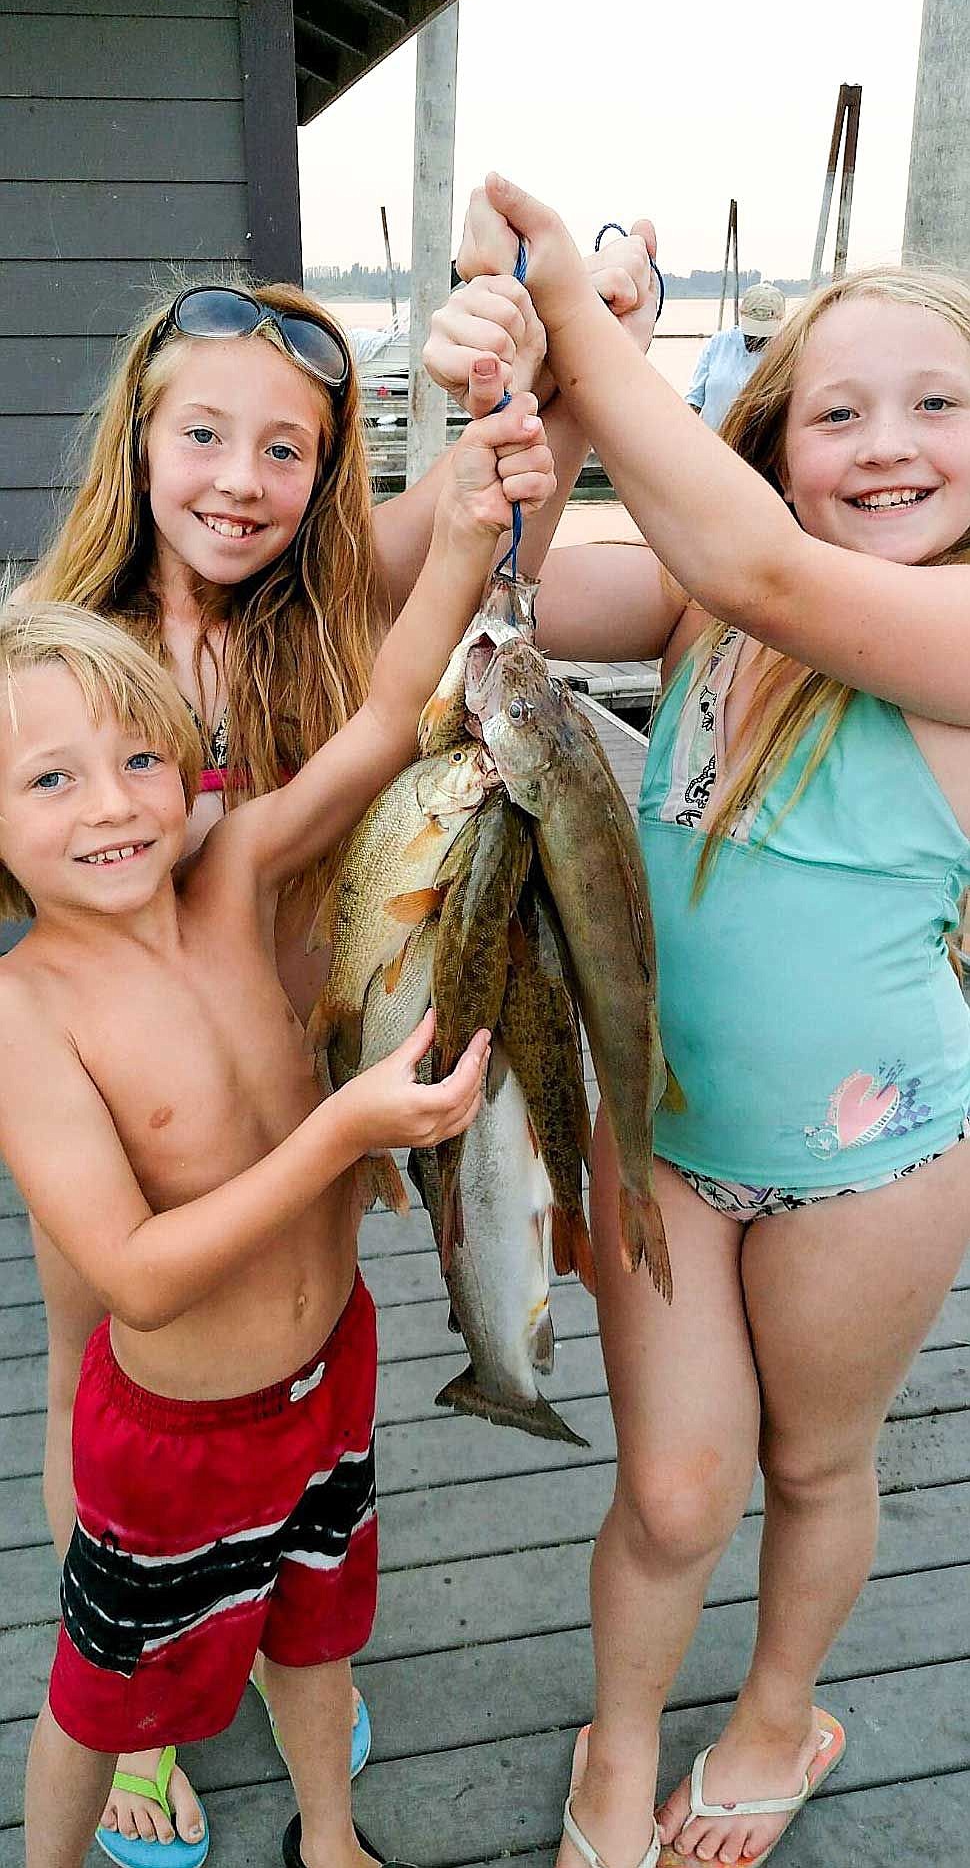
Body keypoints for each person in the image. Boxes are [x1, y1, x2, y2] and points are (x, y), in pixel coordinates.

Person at [446, 175, 970, 1868]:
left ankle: (775, 1712)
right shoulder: (699, 599)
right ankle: (616, 1740)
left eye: (938, 403)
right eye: (838, 411)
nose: (886, 444)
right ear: (775, 438)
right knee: (674, 1492)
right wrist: (517, 395)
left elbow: (759, 565)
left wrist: (597, 326)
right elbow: (481, 600)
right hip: (659, 1128)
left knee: (816, 1465)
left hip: (867, 1163)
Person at [16, 274, 572, 1859]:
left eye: (287, 451)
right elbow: (130, 1271)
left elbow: (406, 680)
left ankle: (282, 1675)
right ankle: (134, 1718)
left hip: (292, 1101)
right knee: (95, 1402)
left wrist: (484, 465)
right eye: (203, 432)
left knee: (309, 1488)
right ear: (142, 432)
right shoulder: (62, 650)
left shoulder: (301, 633)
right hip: (136, 1113)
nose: (238, 479)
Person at [685, 281, 786, 430]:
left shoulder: (785, 353)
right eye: (750, 335)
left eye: (763, 336)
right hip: (713, 441)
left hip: (757, 447)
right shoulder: (718, 343)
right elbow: (695, 399)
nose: (756, 340)